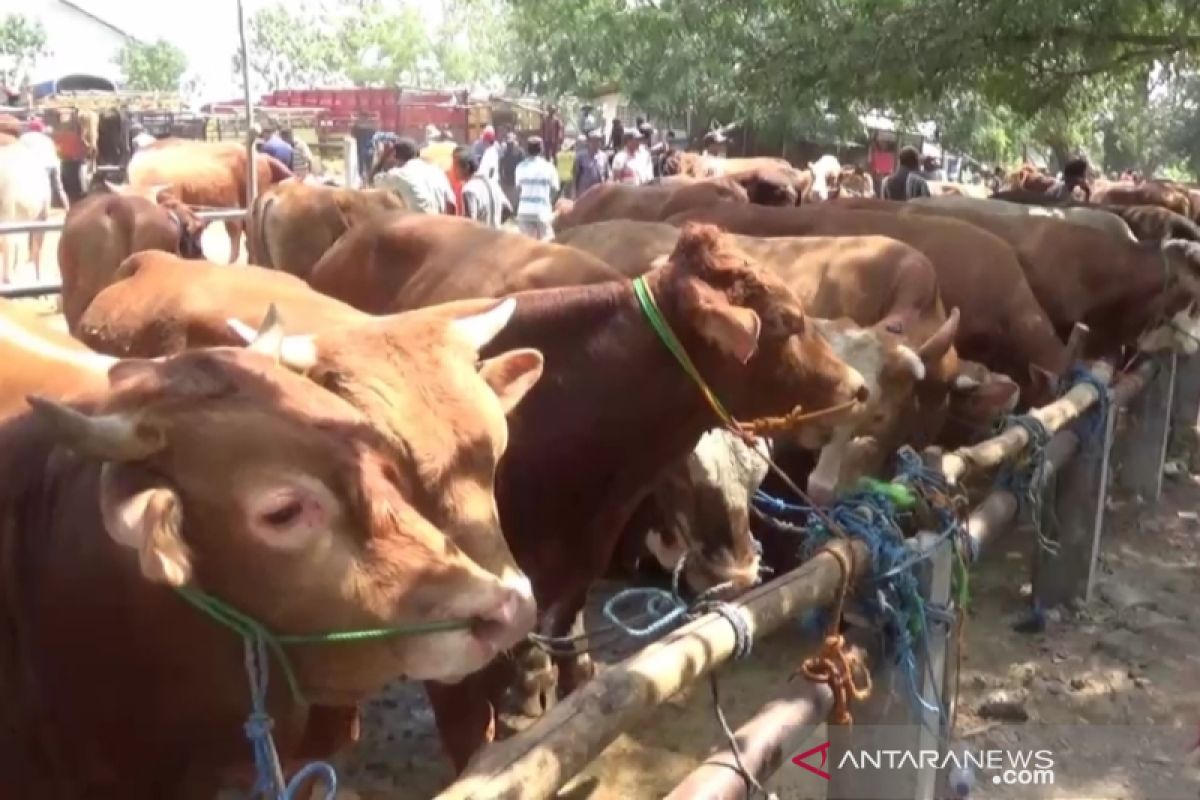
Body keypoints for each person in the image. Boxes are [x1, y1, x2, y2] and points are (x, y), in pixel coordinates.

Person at [373, 137, 456, 214]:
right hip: (443, 224)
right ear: (418, 153)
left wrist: (383, 157)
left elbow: (372, 182)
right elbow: (451, 203)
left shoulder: (398, 175)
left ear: (395, 156)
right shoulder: (437, 171)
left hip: (418, 227)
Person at [514, 136, 559, 241]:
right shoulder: (549, 167)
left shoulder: (520, 167)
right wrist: (548, 201)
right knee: (547, 243)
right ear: (542, 149)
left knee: (526, 245)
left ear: (527, 150)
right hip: (542, 211)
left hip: (524, 211)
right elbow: (555, 189)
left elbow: (519, 189)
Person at [21, 118, 67, 211]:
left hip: (41, 165)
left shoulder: (24, 137)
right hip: (54, 163)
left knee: (42, 188)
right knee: (59, 188)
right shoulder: (46, 138)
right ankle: (67, 207)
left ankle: (44, 211)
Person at [459, 149, 510, 228]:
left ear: (466, 167)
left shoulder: (469, 189)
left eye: (456, 166)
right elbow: (508, 209)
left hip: (480, 237)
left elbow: (470, 222)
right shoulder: (492, 183)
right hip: (495, 235)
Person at [573, 129, 610, 197]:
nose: (596, 143)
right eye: (594, 140)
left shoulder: (604, 156)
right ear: (588, 141)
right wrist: (575, 193)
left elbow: (607, 176)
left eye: (598, 140)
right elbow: (575, 176)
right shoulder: (581, 156)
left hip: (599, 192)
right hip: (584, 192)